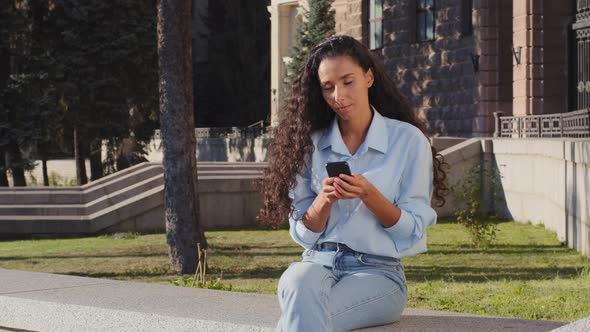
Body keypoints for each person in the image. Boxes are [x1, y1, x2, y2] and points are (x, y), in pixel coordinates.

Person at [258, 35, 448, 332]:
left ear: (368, 77)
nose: (338, 95)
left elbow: (412, 231)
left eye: (348, 81)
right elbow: (303, 235)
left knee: (302, 318)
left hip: (378, 274)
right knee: (296, 279)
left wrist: (370, 195)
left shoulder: (408, 141)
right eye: (328, 87)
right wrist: (324, 200)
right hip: (317, 263)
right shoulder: (310, 145)